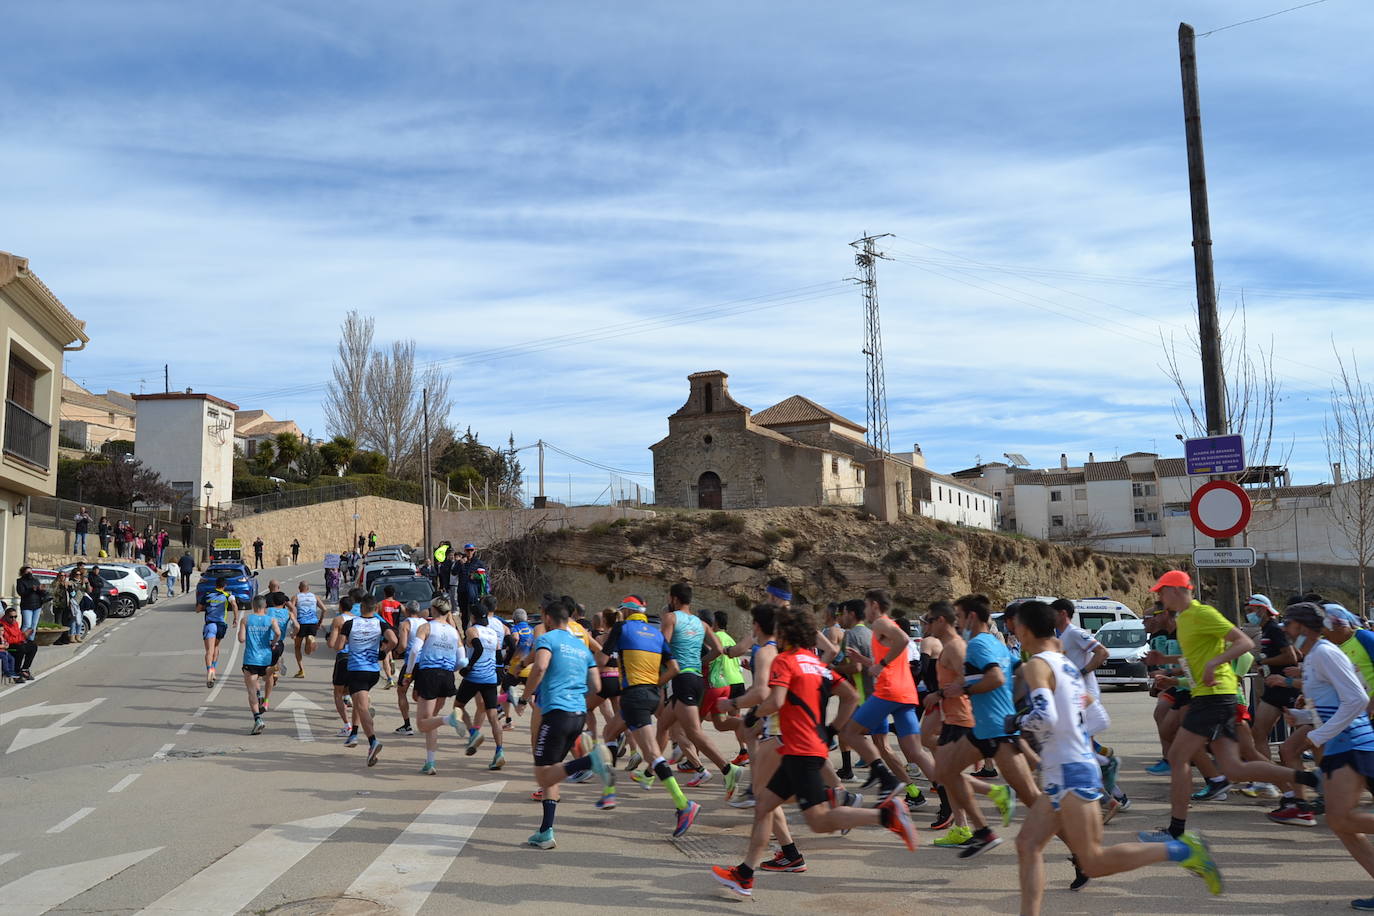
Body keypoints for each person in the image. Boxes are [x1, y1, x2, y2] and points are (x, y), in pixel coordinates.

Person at [1009, 600, 1220, 915]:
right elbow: (1088, 708)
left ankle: (1181, 849)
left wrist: (1018, 722)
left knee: (1093, 861)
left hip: (1068, 773)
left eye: (1013, 627)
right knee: (1027, 845)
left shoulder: (1036, 665)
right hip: (1064, 771)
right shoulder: (1064, 662)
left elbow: (1046, 716)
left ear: (1022, 630)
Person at [711, 607, 918, 898]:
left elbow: (776, 701)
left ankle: (886, 816)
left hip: (797, 749)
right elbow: (851, 696)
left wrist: (742, 711)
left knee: (818, 821)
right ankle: (745, 874)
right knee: (763, 806)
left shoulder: (785, 661)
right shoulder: (817, 664)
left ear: (784, 633)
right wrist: (832, 730)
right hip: (807, 746)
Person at [1142, 569, 1278, 842]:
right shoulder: (1185, 618)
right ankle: (1305, 781)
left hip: (1216, 694)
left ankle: (1176, 831)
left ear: (1176, 590)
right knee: (1235, 768)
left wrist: (1213, 664)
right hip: (1207, 694)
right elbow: (1196, 653)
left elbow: (1244, 642)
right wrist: (1164, 658)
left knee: (1179, 757)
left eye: (1161, 591)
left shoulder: (1202, 613)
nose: (1159, 597)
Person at [603, 596, 701, 836]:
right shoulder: (656, 633)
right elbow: (674, 668)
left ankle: (683, 804)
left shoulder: (621, 627)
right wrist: (656, 684)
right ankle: (608, 792)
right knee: (609, 731)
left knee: (653, 755)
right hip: (650, 694)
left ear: (626, 611)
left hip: (634, 695)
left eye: (622, 610)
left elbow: (602, 658)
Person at [523, 596, 616, 849]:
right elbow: (596, 686)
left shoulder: (547, 639)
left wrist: (524, 696)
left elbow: (539, 668)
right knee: (551, 772)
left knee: (543, 774)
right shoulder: (582, 647)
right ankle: (546, 831)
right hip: (578, 715)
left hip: (556, 713)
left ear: (548, 619)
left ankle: (591, 760)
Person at [656, 583, 746, 796]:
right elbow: (717, 650)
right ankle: (651, 772)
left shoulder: (671, 618)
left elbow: (662, 647)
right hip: (696, 679)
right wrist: (700, 662)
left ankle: (727, 768)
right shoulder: (701, 623)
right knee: (663, 725)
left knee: (693, 732)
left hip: (683, 679)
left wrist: (662, 672)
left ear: (674, 599)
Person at [328, 593, 395, 766]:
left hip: (357, 669)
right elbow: (394, 640)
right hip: (373, 671)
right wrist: (383, 652)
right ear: (376, 609)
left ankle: (373, 741)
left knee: (362, 707)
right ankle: (355, 735)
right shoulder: (380, 623)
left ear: (362, 607)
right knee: (359, 703)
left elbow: (338, 646)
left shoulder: (350, 624)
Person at [449, 595, 513, 770]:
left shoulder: (472, 630)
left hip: (474, 677)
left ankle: (473, 733)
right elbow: (499, 655)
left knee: (458, 706)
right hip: (491, 678)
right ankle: (499, 751)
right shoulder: (493, 633)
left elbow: (478, 648)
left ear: (473, 617)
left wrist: (469, 667)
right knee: (493, 716)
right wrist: (501, 672)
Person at [412, 598, 466, 774]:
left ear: (434, 610)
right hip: (447, 676)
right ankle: (430, 762)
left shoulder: (426, 627)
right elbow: (463, 661)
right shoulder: (454, 632)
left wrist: (408, 673)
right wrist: (452, 668)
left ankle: (448, 719)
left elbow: (414, 650)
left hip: (429, 674)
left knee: (422, 723)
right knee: (430, 720)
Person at [238, 596, 281, 735]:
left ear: (253, 605)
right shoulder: (271, 619)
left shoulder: (246, 620)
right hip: (266, 658)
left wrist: (244, 632)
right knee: (264, 678)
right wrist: (273, 642)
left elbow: (241, 639)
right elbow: (278, 633)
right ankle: (264, 698)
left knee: (250, 689)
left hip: (251, 658)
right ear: (265, 606)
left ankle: (258, 719)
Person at [196, 577, 238, 688]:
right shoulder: (228, 595)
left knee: (209, 650)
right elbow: (234, 605)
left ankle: (209, 670)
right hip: (221, 625)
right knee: (216, 647)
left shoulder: (208, 595)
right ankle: (214, 668)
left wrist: (207, 606)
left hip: (210, 624)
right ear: (224, 586)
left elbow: (198, 609)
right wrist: (235, 618)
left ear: (216, 585)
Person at [393, 600, 427, 735]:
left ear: (406, 611)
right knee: (418, 695)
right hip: (424, 663)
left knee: (401, 692)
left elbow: (403, 645)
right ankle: (426, 720)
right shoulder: (424, 623)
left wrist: (395, 653)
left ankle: (407, 725)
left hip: (411, 663)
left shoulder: (405, 624)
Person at [329, 595, 358, 736]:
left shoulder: (338, 620)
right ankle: (357, 724)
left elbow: (333, 645)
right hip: (357, 659)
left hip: (343, 658)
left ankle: (347, 725)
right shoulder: (358, 620)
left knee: (337, 693)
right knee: (355, 692)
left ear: (341, 606)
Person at [293, 580, 321, 677]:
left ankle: (301, 670)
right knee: (307, 652)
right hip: (313, 623)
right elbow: (324, 609)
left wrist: (293, 623)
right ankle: (310, 637)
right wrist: (320, 621)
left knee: (297, 647)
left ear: (299, 588)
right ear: (308, 588)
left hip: (301, 624)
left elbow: (292, 610)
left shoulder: (296, 597)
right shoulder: (315, 597)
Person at [1, 604, 37, 681]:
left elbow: (18, 634)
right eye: (11, 617)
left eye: (15, 617)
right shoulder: (2, 625)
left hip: (17, 643)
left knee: (33, 646)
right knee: (21, 649)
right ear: (6, 616)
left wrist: (24, 637)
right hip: (7, 646)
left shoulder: (15, 623)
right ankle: (16, 672)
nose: (14, 619)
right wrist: (23, 636)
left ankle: (25, 669)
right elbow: (8, 640)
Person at [15, 567, 45, 640]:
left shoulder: (35, 580)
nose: (29, 573)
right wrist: (31, 590)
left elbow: (41, 593)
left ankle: (31, 640)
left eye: (30, 572)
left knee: (33, 625)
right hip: (26, 606)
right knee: (27, 624)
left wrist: (41, 590)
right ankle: (22, 639)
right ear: (23, 573)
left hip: (37, 605)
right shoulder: (20, 581)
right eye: (27, 572)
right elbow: (21, 593)